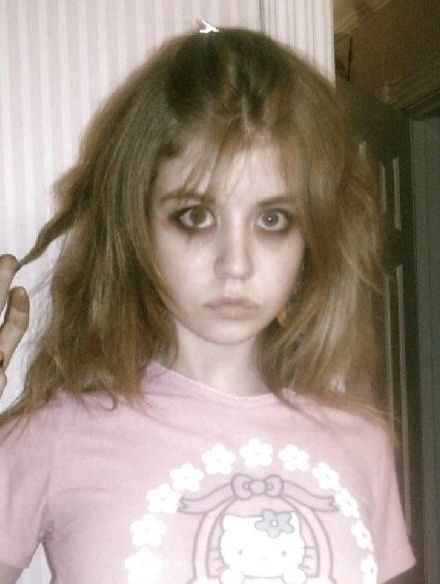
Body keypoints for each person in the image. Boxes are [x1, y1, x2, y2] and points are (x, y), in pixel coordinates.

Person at [0, 27, 415, 584]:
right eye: (196, 216)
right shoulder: (52, 439)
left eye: (272, 219)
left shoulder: (361, 441)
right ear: (136, 223)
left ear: (311, 236)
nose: (235, 264)